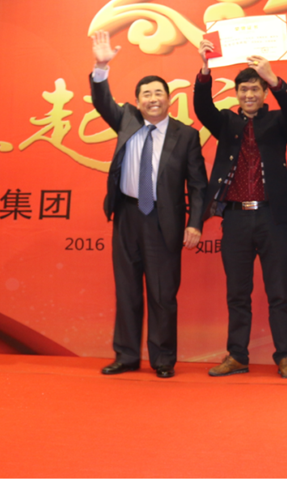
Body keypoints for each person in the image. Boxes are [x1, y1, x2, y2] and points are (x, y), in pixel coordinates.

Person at [88, 30, 207, 379]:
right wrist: (100, 67)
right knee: (126, 290)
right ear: (137, 101)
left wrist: (195, 223)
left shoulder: (186, 135)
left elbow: (198, 185)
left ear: (169, 99)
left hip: (163, 220)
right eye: (146, 94)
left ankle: (163, 359)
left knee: (162, 293)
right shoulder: (126, 119)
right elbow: (102, 102)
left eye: (158, 93)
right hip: (127, 215)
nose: (153, 99)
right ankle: (125, 355)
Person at [193, 38, 287, 379]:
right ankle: (237, 355)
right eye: (243, 89)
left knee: (279, 292)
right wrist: (205, 68)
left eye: (255, 88)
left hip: (272, 217)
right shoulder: (226, 122)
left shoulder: (278, 122)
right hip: (236, 217)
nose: (249, 94)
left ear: (264, 92)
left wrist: (273, 77)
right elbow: (202, 108)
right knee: (237, 293)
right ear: (236, 93)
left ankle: (285, 357)